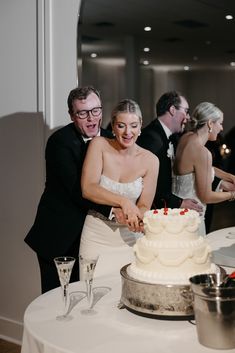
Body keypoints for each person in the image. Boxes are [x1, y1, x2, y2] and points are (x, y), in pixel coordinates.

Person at [25, 86, 113, 293]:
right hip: (59, 236)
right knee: (56, 300)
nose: (91, 118)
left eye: (95, 110)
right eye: (82, 113)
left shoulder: (112, 139)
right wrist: (113, 210)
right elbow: (77, 190)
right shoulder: (59, 142)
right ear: (72, 115)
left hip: (97, 237)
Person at [79, 99, 159, 278]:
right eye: (121, 125)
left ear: (140, 127)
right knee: (90, 292)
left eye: (133, 125)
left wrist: (137, 218)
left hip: (129, 239)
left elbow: (145, 204)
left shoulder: (151, 161)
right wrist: (124, 202)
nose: (128, 132)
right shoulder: (99, 145)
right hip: (96, 235)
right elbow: (88, 188)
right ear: (113, 127)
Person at [172, 102, 235, 235]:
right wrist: (232, 194)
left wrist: (230, 177)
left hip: (177, 214)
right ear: (210, 124)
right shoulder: (202, 152)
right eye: (220, 123)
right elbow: (206, 196)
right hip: (192, 218)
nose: (222, 128)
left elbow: (203, 167)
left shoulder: (186, 138)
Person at [137, 90, 203, 212]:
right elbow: (149, 186)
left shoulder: (171, 137)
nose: (188, 117)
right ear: (172, 110)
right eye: (186, 111)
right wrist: (179, 202)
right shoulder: (152, 140)